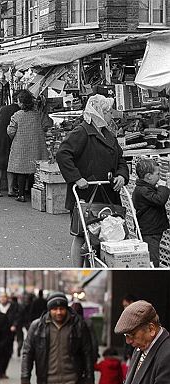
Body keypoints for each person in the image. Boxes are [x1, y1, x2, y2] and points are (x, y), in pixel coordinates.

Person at [55, 94, 129, 266]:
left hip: (107, 193)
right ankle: (78, 270)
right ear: (99, 113)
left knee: (105, 233)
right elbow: (63, 154)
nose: (111, 115)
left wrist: (121, 175)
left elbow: (121, 160)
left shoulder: (107, 134)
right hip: (86, 194)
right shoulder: (81, 132)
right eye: (108, 112)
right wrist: (76, 178)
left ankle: (97, 265)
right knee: (82, 235)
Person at [6, 90, 51, 203]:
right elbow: (47, 125)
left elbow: (11, 131)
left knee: (22, 170)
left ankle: (21, 194)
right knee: (34, 169)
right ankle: (33, 192)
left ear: (21, 103)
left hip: (21, 145)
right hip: (36, 144)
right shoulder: (38, 114)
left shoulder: (17, 115)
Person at [132, 158, 169, 267]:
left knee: (152, 255)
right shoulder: (143, 190)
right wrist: (164, 186)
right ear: (148, 176)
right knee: (152, 258)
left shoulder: (145, 188)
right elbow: (159, 200)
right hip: (149, 231)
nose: (159, 177)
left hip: (151, 229)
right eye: (157, 174)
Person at [0, 93, 20, 197]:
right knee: (9, 165)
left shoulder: (3, 109)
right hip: (11, 139)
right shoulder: (19, 111)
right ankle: (10, 190)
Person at [0, 293, 19, 379]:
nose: (3, 299)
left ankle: (3, 371)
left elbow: (17, 317)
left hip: (9, 333)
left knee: (7, 353)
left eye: (4, 297)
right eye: (1, 297)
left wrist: (14, 325)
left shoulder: (13, 307)